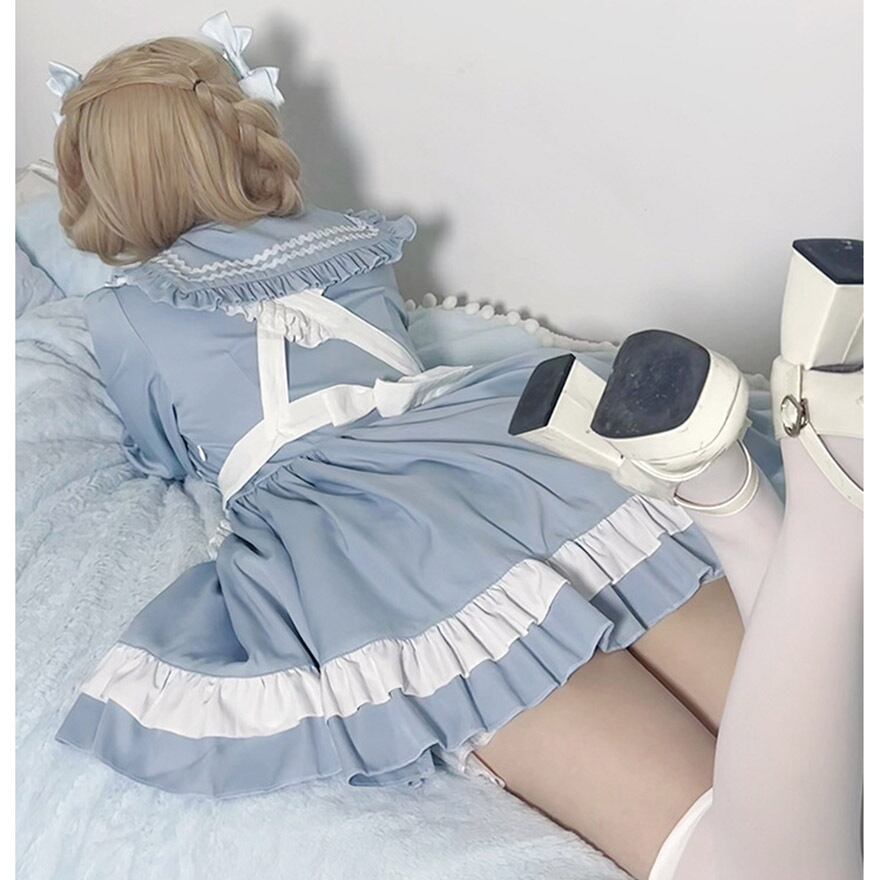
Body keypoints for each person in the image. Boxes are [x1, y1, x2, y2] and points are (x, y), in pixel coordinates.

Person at [49, 14, 862, 880]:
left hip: (369, 540)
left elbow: (165, 454)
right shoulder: (349, 242)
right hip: (499, 450)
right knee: (848, 750)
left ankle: (784, 514)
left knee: (738, 857)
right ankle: (751, 500)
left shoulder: (124, 311)